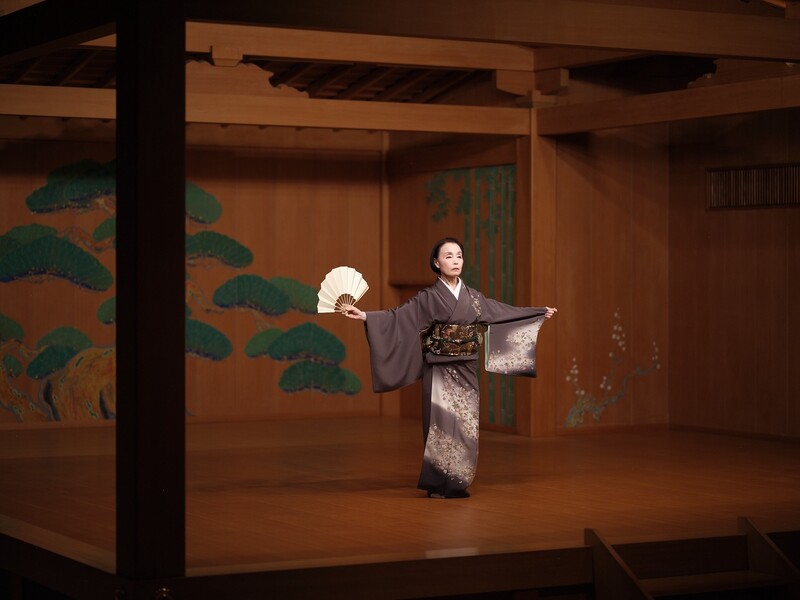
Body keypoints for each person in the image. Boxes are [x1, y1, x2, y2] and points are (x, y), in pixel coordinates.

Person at [343, 237, 556, 499]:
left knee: (466, 425)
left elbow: (501, 312)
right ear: (436, 262)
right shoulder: (428, 297)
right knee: (440, 425)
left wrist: (535, 313)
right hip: (439, 368)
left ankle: (457, 482)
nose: (455, 261)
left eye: (459, 256)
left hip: (466, 368)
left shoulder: (473, 298)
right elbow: (399, 316)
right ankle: (437, 483)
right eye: (448, 256)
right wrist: (365, 315)